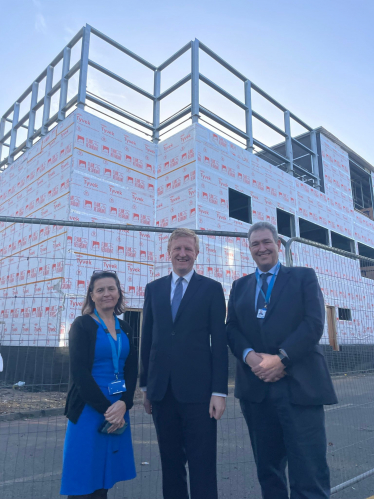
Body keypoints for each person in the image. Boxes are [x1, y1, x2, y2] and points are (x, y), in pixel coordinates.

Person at [227, 221, 337, 499]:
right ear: (249, 249)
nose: (261, 248)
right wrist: (251, 358)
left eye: (267, 242)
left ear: (278, 245)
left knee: (309, 471)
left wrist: (281, 359)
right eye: (255, 244)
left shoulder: (303, 277)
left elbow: (313, 324)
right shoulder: (239, 286)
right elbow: (231, 329)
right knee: (269, 471)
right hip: (257, 391)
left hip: (299, 387)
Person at [140, 228, 228, 499]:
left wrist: (219, 391)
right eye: (177, 249)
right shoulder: (153, 289)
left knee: (202, 464)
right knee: (170, 463)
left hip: (200, 394)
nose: (182, 254)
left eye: (188, 249)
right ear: (168, 253)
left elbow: (219, 343)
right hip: (162, 392)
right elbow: (147, 340)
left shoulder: (212, 289)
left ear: (196, 254)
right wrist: (145, 386)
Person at [61, 271, 137, 499]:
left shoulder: (126, 328)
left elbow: (131, 370)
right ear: (92, 296)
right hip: (90, 409)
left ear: (118, 293)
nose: (107, 294)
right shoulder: (82, 325)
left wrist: (125, 403)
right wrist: (108, 410)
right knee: (83, 478)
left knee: (105, 477)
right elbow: (80, 374)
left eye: (111, 289)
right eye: (100, 290)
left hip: (118, 408)